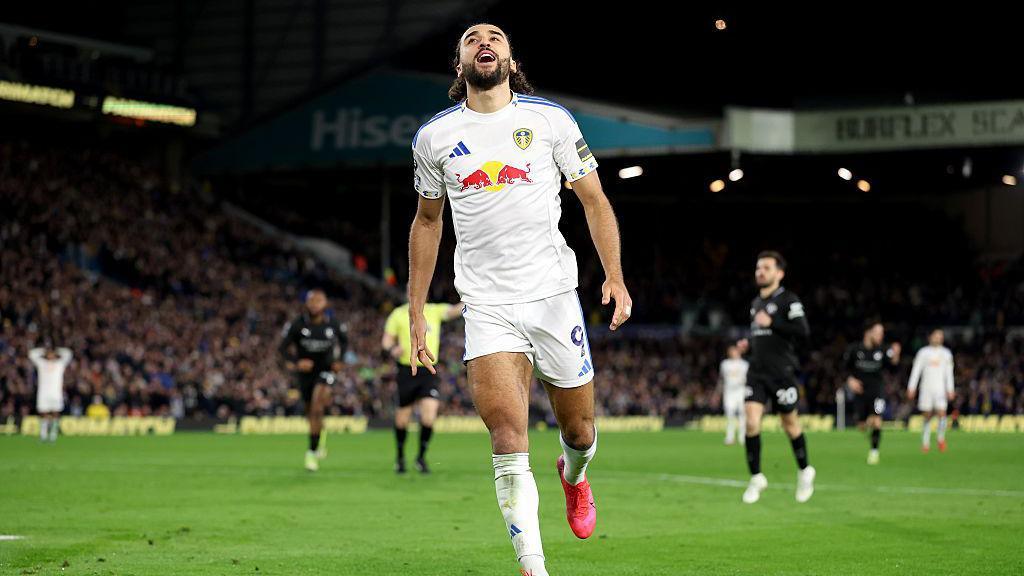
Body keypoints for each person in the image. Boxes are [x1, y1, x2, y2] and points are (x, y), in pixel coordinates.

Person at [406, 23, 632, 576]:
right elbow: (427, 221)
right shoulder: (434, 137)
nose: (484, 42)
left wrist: (615, 276)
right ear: (460, 63)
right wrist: (416, 308)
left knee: (579, 432)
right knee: (507, 434)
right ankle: (534, 567)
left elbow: (595, 201)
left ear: (510, 56)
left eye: (495, 36)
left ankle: (574, 477)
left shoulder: (549, 120)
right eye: (471, 38)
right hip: (486, 303)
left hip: (553, 295)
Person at [737, 251, 815, 504]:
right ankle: (756, 477)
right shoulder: (755, 303)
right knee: (750, 422)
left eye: (766, 268)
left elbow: (802, 331)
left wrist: (772, 322)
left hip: (782, 373)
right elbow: (763, 334)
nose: (760, 271)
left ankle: (805, 471)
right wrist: (748, 345)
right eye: (758, 267)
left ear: (779, 273)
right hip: (757, 372)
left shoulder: (788, 301)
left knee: (790, 425)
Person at [382, 300, 462, 473]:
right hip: (406, 371)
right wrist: (392, 349)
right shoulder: (398, 313)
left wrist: (473, 294)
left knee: (429, 416)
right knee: (402, 419)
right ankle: (400, 456)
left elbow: (455, 310)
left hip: (428, 371)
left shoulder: (434, 310)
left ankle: (420, 457)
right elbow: (386, 340)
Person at [279, 289, 347, 471]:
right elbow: (283, 349)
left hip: (326, 371)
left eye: (319, 301)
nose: (315, 304)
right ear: (306, 303)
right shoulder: (298, 324)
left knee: (317, 406)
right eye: (312, 301)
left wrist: (340, 361)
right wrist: (296, 362)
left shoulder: (333, 324)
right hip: (306, 375)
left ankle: (311, 452)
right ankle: (319, 437)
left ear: (325, 304)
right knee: (311, 412)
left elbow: (345, 341)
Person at [843, 319, 901, 464]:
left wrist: (896, 356)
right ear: (868, 333)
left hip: (877, 391)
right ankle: (867, 427)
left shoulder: (883, 350)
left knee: (876, 420)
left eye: (882, 333)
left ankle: (874, 452)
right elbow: (844, 368)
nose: (881, 336)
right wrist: (850, 380)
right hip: (860, 393)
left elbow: (893, 368)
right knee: (862, 425)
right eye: (878, 333)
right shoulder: (854, 349)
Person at [907, 329, 955, 453]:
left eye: (940, 336)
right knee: (927, 415)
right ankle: (926, 442)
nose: (938, 338)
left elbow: (949, 373)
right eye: (936, 336)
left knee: (942, 413)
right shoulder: (923, 352)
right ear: (930, 337)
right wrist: (911, 387)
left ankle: (940, 439)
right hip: (926, 388)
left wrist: (950, 389)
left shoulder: (946, 354)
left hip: (940, 389)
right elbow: (916, 370)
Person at [29, 345, 72, 443]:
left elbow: (68, 354)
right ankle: (43, 435)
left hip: (56, 393)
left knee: (55, 413)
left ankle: (53, 434)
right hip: (43, 393)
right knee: (43, 413)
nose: (50, 355)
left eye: (52, 354)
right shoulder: (42, 363)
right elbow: (32, 354)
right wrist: (43, 350)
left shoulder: (59, 364)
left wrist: (58, 350)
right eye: (49, 354)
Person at [719, 345, 749, 446]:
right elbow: (722, 378)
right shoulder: (725, 364)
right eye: (731, 351)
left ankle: (742, 437)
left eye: (735, 351)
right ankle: (730, 437)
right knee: (729, 415)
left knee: (742, 415)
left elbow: (747, 379)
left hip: (741, 392)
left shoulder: (744, 364)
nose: (733, 353)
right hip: (729, 392)